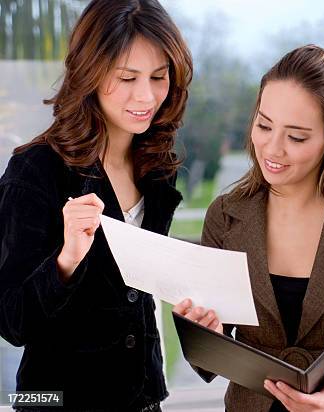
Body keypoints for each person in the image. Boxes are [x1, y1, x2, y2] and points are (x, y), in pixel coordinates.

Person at [173, 44, 324, 411]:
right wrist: (204, 333)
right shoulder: (226, 215)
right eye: (264, 125)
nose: (272, 147)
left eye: (296, 136)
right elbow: (208, 359)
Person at [0, 0, 192, 410]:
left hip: (143, 398)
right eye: (127, 78)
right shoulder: (35, 169)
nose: (146, 95)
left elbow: (138, 294)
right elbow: (11, 320)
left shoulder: (158, 170)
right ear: (90, 73)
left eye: (159, 77)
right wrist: (67, 259)